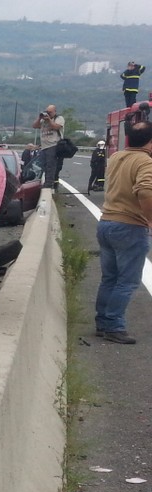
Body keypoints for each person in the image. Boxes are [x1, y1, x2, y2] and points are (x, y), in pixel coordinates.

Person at [94, 120, 152, 344]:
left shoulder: (117, 157)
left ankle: (103, 323)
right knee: (127, 281)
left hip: (107, 222)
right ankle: (114, 326)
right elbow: (146, 192)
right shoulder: (145, 162)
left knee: (109, 278)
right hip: (129, 226)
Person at [32, 105, 65, 191]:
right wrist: (40, 118)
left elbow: (56, 127)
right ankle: (44, 182)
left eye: (50, 112)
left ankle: (49, 184)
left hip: (53, 145)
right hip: (44, 146)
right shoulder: (43, 120)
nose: (48, 114)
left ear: (54, 111)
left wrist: (49, 120)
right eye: (47, 112)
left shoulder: (59, 118)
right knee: (43, 165)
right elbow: (34, 126)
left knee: (51, 166)